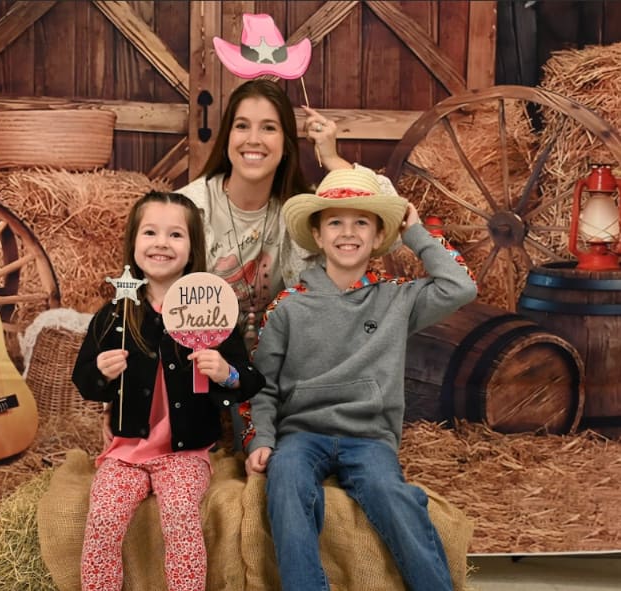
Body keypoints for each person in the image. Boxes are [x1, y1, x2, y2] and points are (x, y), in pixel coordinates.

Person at [104, 78, 395, 445]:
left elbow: (393, 221)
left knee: (293, 444)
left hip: (281, 366)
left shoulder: (303, 212)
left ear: (286, 144)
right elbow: (144, 297)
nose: (253, 140)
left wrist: (333, 158)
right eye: (242, 126)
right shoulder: (189, 209)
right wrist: (121, 397)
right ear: (228, 137)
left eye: (268, 128)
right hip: (200, 367)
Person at [244, 167, 478, 591]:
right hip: (302, 434)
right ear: (318, 235)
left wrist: (415, 233)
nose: (348, 233)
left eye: (362, 223)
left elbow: (460, 287)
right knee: (286, 479)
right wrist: (261, 438)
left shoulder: (397, 297)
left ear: (378, 235)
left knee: (391, 494)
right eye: (335, 222)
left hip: (370, 437)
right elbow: (262, 384)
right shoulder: (288, 306)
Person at [72, 191, 265, 591]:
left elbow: (250, 380)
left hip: (184, 452)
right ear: (133, 242)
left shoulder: (211, 313)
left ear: (193, 249)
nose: (161, 243)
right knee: (103, 519)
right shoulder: (114, 314)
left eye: (175, 234)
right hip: (126, 452)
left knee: (180, 517)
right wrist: (102, 373)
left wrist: (226, 372)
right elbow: (83, 378)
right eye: (150, 232)